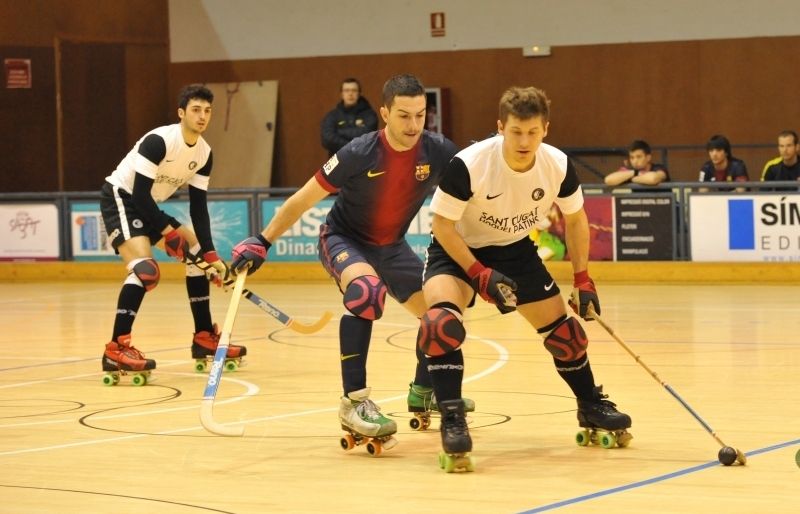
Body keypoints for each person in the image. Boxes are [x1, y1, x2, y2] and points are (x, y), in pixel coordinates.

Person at [231, 74, 469, 447]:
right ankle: (354, 403)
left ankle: (424, 390)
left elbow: (478, 183)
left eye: (421, 115)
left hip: (391, 247)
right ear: (385, 113)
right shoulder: (359, 152)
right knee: (366, 293)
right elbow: (302, 200)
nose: (413, 125)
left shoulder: (437, 150)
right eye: (404, 116)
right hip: (344, 240)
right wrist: (262, 241)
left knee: (441, 316)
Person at [416, 86, 631, 465]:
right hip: (457, 250)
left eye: (532, 132)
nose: (524, 141)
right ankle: (452, 417)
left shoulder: (558, 165)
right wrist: (479, 274)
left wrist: (582, 278)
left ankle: (590, 405)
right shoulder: (469, 164)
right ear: (500, 127)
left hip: (515, 249)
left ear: (545, 129)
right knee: (440, 323)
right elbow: (443, 227)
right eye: (516, 132)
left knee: (566, 335)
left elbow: (576, 219)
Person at [99, 84, 244, 382]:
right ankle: (116, 348)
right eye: (196, 110)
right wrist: (167, 230)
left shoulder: (204, 154)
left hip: (149, 205)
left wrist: (211, 255)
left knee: (195, 252)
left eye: (207, 111)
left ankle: (203, 337)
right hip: (123, 198)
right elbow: (139, 195)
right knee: (146, 270)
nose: (202, 116)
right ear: (182, 113)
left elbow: (199, 207)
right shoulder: (160, 141)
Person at [320, 78, 378, 157]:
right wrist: (352, 147)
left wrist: (339, 132)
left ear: (359, 93)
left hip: (363, 162)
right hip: (338, 162)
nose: (350, 94)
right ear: (341, 94)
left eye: (354, 90)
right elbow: (327, 140)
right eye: (347, 90)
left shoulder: (369, 115)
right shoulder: (332, 116)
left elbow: (368, 136)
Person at [604, 140, 669, 187]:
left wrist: (633, 178)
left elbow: (653, 179)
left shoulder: (659, 168)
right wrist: (634, 173)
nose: (635, 161)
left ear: (648, 158)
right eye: (632, 157)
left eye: (639, 157)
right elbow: (608, 180)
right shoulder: (631, 172)